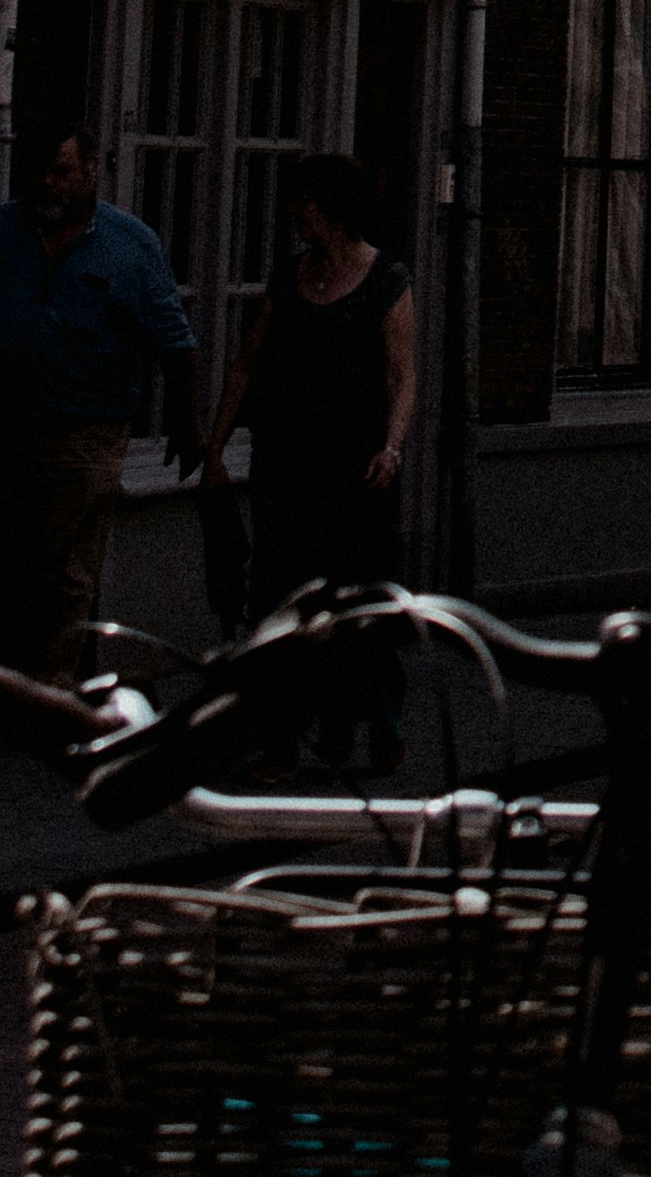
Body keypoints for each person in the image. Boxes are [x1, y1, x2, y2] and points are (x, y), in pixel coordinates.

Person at [207, 150, 415, 774]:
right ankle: (279, 732)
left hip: (354, 470)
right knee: (283, 599)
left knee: (358, 603)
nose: (295, 215)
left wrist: (391, 446)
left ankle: (371, 723)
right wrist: (215, 447)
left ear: (327, 211)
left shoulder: (385, 281)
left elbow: (401, 375)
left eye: (303, 205)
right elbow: (247, 363)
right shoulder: (290, 278)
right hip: (289, 465)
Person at [0, 123, 199, 678]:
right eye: (39, 171)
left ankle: (51, 686)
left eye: (62, 172)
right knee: (15, 557)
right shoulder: (6, 232)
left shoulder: (129, 245)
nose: (48, 183)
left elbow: (174, 342)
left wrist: (187, 426)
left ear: (91, 173)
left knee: (66, 569)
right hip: (12, 421)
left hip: (87, 429)